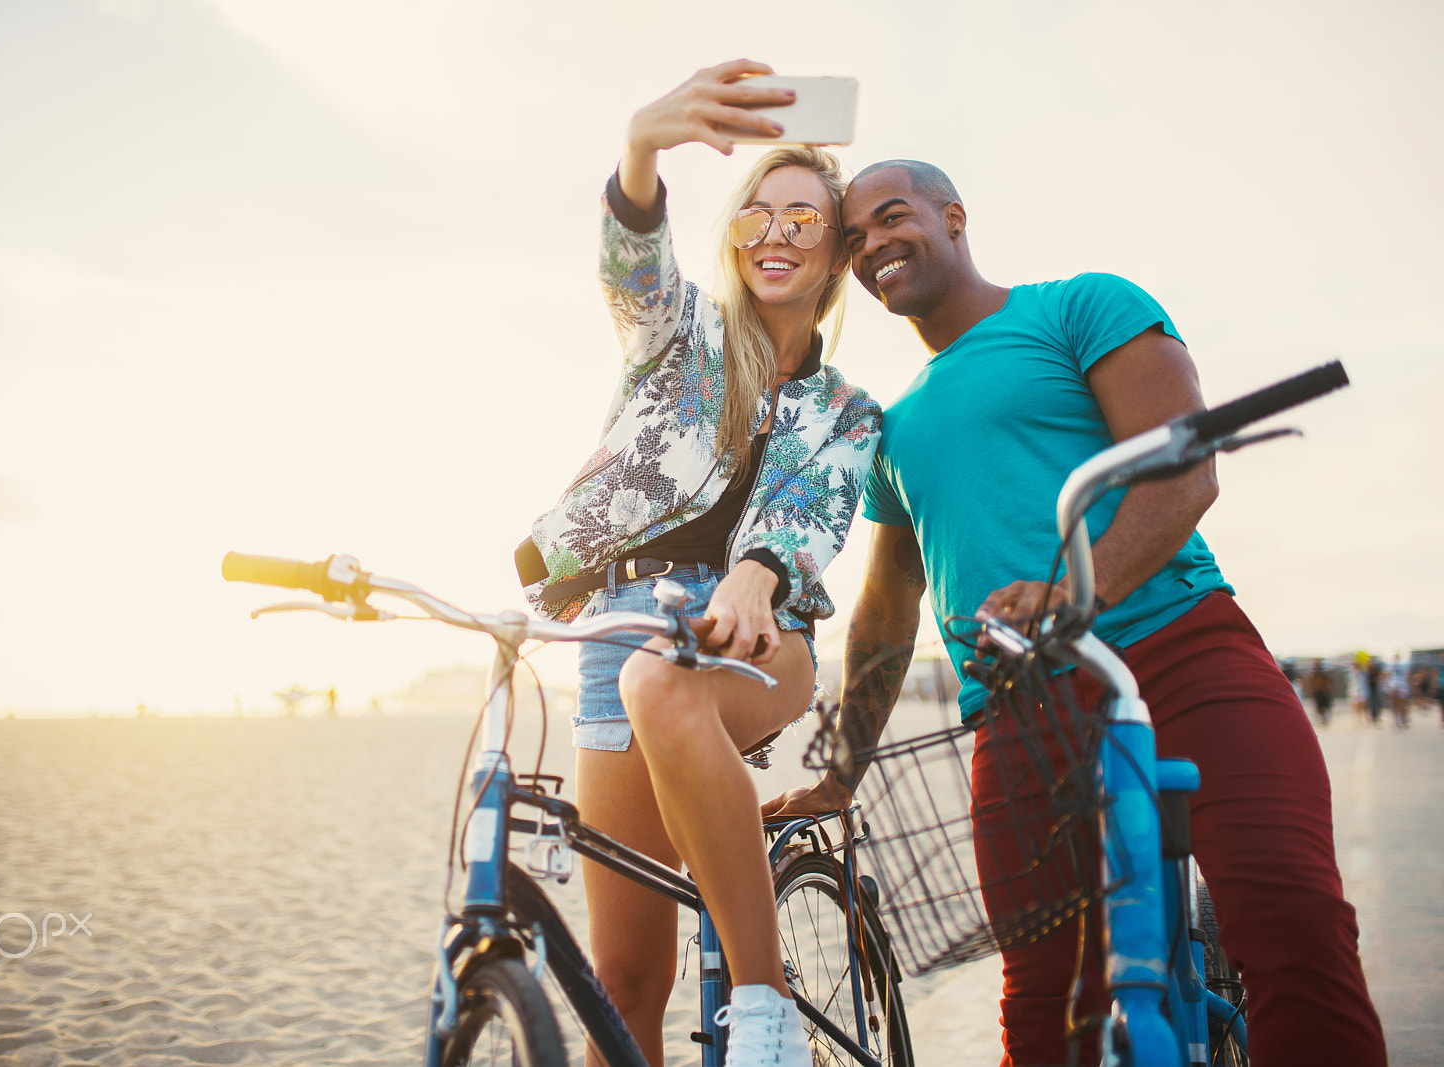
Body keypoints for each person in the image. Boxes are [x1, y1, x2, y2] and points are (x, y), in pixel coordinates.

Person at [764, 160, 1386, 1065]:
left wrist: (1074, 591)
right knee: (1048, 1003)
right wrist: (842, 768)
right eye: (852, 238)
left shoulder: (1078, 305)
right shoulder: (892, 432)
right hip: (1019, 712)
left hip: (1181, 650)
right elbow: (887, 612)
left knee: (1294, 922)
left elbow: (1182, 470)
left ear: (953, 215)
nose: (872, 246)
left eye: (893, 217)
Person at [519, 61, 881, 1067]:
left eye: (804, 218)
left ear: (839, 248)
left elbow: (806, 517)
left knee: (664, 687)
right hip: (614, 626)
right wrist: (641, 145)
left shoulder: (848, 412)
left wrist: (755, 576)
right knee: (623, 982)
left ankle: (763, 1009)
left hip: (765, 639)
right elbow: (631, 268)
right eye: (756, 215)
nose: (774, 233)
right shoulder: (677, 340)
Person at [1309, 658, 1334, 727]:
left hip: (1323, 691)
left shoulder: (1323, 671)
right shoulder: (1314, 672)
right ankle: (1322, 718)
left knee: (1324, 706)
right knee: (1320, 706)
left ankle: (1324, 718)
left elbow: (1327, 681)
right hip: (1318, 691)